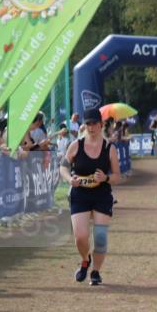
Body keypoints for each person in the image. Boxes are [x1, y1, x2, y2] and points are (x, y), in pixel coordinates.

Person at [59, 107, 120, 286]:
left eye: (94, 124)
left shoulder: (109, 148)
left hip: (101, 194)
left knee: (100, 238)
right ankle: (85, 260)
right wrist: (70, 179)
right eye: (88, 124)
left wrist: (106, 178)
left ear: (101, 125)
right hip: (80, 194)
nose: (91, 127)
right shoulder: (76, 145)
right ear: (84, 126)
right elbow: (63, 167)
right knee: (80, 237)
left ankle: (95, 272)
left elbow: (117, 176)